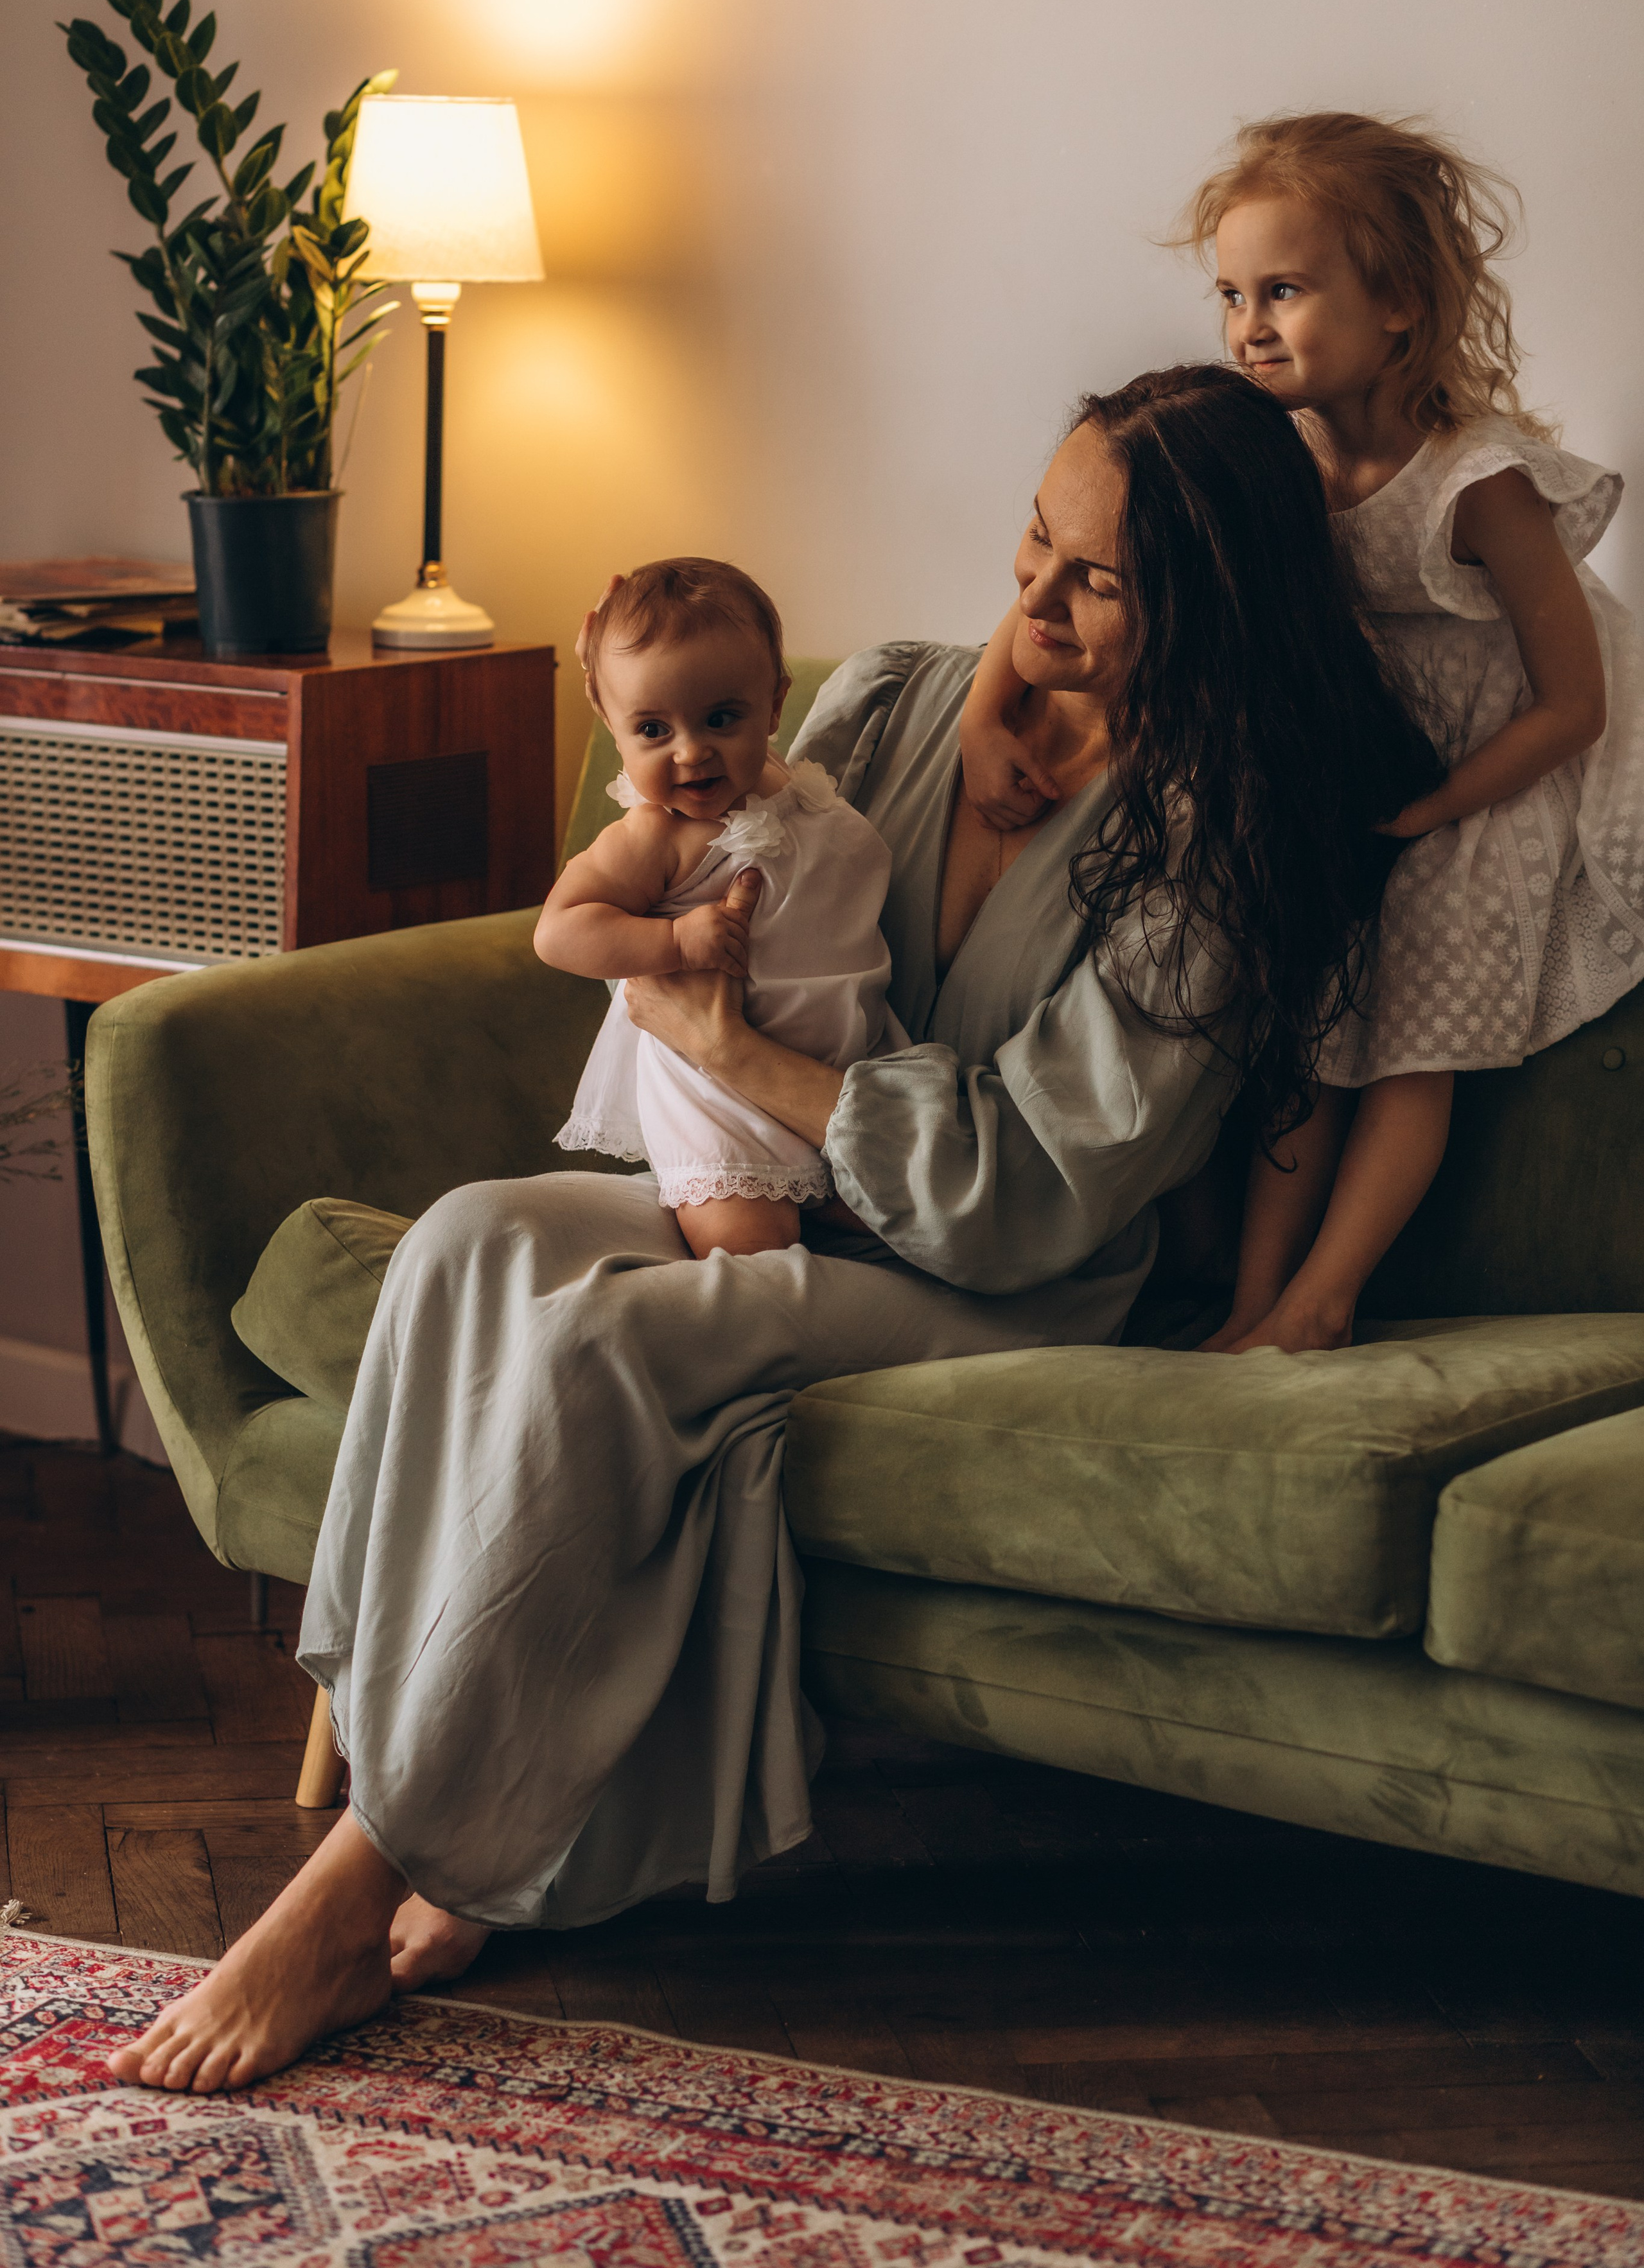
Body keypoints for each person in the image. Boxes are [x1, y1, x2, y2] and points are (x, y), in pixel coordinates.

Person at [107, 363, 1438, 2096]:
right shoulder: (894, 707)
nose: (1034, 599)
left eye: (1097, 581)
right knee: (471, 1241)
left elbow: (1030, 1187)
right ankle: (433, 1796)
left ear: (1209, 601)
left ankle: (357, 1890)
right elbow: (698, 846)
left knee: (616, 1333)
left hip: (1009, 1279)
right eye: (1037, 539)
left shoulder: (1211, 842)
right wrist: (640, 889)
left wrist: (731, 1046)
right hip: (796, 1205)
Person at [965, 114, 1638, 1354]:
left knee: (1407, 1031)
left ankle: (1322, 1302)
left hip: (1501, 774)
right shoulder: (1267, 457)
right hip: (1363, 760)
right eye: (1231, 292)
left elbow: (1574, 705)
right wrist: (980, 710)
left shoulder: (1479, 484)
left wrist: (1434, 814)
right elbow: (1076, 569)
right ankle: (1250, 1301)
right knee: (1309, 1006)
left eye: (1284, 290)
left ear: (1398, 305)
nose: (1247, 326)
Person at [541, 557, 902, 1259]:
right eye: (652, 730)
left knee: (910, 1217)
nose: (692, 752)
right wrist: (674, 941)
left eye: (720, 718)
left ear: (774, 705)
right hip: (713, 1091)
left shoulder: (790, 787)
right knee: (749, 1242)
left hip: (836, 1064)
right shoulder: (657, 834)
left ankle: (820, 1210)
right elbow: (559, 931)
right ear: (610, 723)